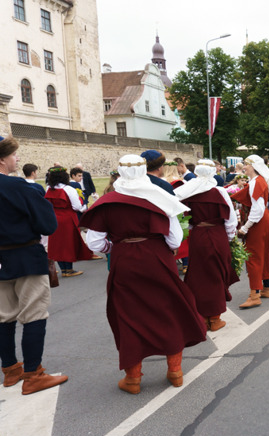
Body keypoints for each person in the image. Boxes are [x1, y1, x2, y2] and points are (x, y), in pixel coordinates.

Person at [80, 154, 206, 394]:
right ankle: (175, 371)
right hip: (157, 257)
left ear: (120, 171)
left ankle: (133, 378)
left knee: (128, 315)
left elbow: (95, 242)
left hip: (124, 259)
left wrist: (113, 248)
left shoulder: (108, 201)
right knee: (169, 310)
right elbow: (174, 238)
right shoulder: (159, 198)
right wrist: (160, 250)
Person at [0, 135, 68, 395]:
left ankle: (9, 370)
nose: (17, 158)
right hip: (25, 257)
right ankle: (33, 374)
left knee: (3, 317)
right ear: (2, 159)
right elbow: (48, 225)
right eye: (13, 155)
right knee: (34, 315)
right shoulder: (22, 188)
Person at [174, 159, 239, 331]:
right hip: (217, 234)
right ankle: (215, 319)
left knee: (198, 276)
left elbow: (184, 220)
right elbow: (230, 218)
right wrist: (231, 238)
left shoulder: (188, 192)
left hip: (198, 236)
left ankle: (202, 317)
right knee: (216, 274)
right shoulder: (219, 192)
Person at [230, 155, 269, 309]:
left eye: (246, 164)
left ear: (252, 166)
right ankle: (266, 288)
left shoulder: (256, 182)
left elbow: (256, 209)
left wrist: (245, 228)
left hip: (257, 222)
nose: (244, 167)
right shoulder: (258, 181)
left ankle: (255, 294)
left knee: (253, 256)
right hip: (262, 220)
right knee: (263, 255)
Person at [45, 166, 93, 276]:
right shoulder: (69, 189)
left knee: (57, 244)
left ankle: (63, 269)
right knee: (68, 243)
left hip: (54, 217)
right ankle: (69, 269)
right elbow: (76, 206)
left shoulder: (48, 188)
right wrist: (83, 207)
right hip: (68, 218)